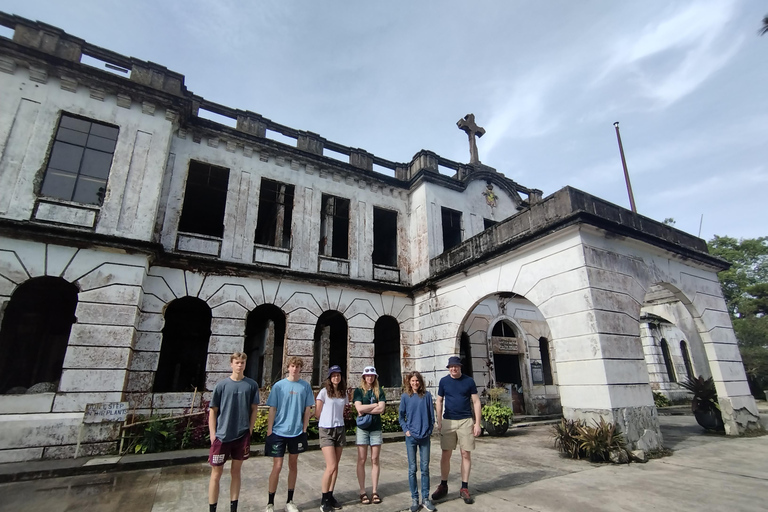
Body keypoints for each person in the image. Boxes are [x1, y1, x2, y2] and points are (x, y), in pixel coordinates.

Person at [208, 352, 260, 512]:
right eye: (237, 362)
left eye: (242, 362)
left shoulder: (251, 385)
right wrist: (213, 434)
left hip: (241, 435)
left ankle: (233, 507)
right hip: (222, 435)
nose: (240, 365)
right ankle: (212, 508)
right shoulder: (222, 386)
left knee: (236, 472)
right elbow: (213, 411)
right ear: (231, 364)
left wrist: (250, 429)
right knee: (216, 474)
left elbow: (254, 409)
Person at [265, 356, 315, 512]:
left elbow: (308, 409)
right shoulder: (279, 386)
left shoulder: (305, 386)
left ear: (301, 369)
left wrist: (305, 429)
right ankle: (270, 503)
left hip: (297, 432)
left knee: (293, 465)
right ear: (288, 367)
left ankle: (290, 500)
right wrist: (269, 429)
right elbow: (272, 408)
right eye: (292, 366)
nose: (294, 369)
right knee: (277, 466)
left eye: (297, 366)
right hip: (279, 431)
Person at [431, 356, 482, 505]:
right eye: (451, 367)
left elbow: (476, 401)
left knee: (465, 453)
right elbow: (439, 401)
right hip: (448, 421)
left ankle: (464, 487)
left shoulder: (469, 381)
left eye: (456, 366)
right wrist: (439, 421)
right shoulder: (444, 381)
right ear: (448, 368)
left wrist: (477, 423)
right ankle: (443, 485)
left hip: (465, 420)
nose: (454, 369)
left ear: (460, 367)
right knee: (445, 453)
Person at [399, 371, 436, 512]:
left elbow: (431, 416)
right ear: (409, 382)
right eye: (412, 381)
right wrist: (406, 430)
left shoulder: (426, 396)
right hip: (411, 437)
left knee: (425, 469)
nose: (415, 383)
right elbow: (401, 416)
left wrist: (429, 429)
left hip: (425, 437)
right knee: (412, 469)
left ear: (420, 382)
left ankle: (426, 498)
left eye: (417, 381)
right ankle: (415, 499)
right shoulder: (405, 397)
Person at [315, 364, 349, 512]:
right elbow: (317, 412)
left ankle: (330, 495)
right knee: (331, 466)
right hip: (326, 430)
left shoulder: (343, 393)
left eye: (338, 375)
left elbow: (346, 410)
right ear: (329, 378)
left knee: (336, 467)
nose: (336, 377)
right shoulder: (323, 392)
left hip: (339, 429)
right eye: (333, 375)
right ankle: (324, 500)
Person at [353, 365, 386, 505]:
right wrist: (374, 406)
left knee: (375, 459)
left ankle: (374, 491)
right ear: (364, 377)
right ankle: (362, 491)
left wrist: (367, 409)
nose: (369, 378)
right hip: (362, 428)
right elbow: (358, 408)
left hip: (376, 428)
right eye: (367, 375)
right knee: (361, 459)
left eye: (372, 375)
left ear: (375, 377)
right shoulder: (359, 391)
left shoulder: (380, 391)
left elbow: (382, 409)